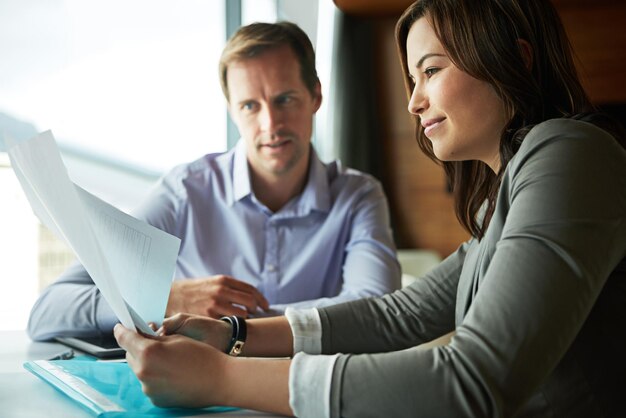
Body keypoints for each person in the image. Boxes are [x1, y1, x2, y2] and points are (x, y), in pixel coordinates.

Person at [114, 1, 626, 416]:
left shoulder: (571, 153)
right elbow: (399, 313)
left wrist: (219, 377)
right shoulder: (509, 195)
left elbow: (473, 380)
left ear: (516, 58)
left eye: (430, 71)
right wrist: (234, 335)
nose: (413, 102)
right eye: (412, 79)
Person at [27, 22, 401, 341]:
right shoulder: (184, 192)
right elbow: (48, 309)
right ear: (232, 111)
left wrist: (231, 326)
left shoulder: (358, 196)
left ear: (315, 95)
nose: (270, 125)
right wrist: (165, 300)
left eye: (285, 99)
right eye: (250, 106)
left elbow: (377, 307)